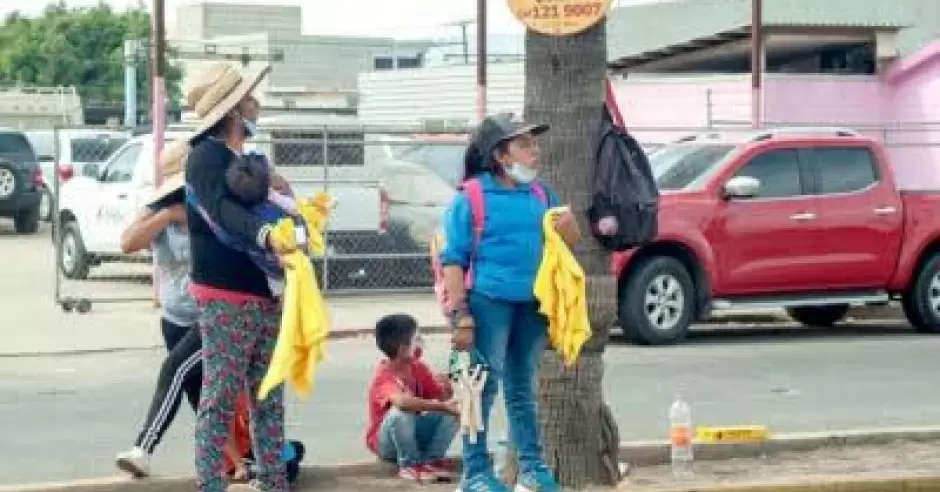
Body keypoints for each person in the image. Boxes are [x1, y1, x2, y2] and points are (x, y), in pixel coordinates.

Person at [438, 113, 580, 492]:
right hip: (488, 304)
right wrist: (461, 315)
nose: (536, 151)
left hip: (532, 306)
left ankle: (532, 468)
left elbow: (565, 243)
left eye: (534, 142)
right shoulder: (471, 196)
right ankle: (475, 473)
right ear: (500, 155)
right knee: (478, 389)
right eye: (524, 144)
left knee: (522, 388)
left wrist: (571, 231)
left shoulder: (541, 194)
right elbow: (452, 260)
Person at [183, 62, 292, 492]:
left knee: (269, 396)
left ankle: (274, 479)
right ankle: (211, 482)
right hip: (225, 295)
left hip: (265, 293)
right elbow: (223, 212)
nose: (256, 104)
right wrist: (265, 234)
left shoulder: (245, 162)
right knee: (222, 396)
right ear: (231, 111)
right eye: (249, 98)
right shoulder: (204, 158)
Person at [114, 142, 202, 477]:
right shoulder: (158, 209)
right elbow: (127, 243)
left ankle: (143, 448)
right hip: (175, 318)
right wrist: (167, 216)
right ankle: (239, 461)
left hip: (211, 317)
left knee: (173, 370)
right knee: (197, 394)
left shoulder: (208, 206)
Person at [365, 314, 459, 483]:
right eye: (417, 339)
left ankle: (432, 460)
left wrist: (450, 385)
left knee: (455, 410)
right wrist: (442, 406)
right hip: (387, 445)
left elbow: (441, 396)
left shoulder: (418, 368)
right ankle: (410, 464)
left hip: (413, 435)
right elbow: (402, 403)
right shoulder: (384, 376)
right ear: (403, 349)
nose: (421, 343)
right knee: (401, 412)